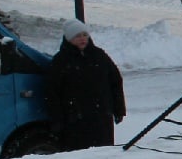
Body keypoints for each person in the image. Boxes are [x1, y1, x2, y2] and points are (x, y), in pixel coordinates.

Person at [46, 18, 124, 150]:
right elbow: (52, 92)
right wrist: (57, 120)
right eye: (77, 36)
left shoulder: (99, 55)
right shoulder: (61, 61)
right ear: (69, 38)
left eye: (85, 35)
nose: (82, 39)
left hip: (101, 118)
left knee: (104, 152)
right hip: (75, 121)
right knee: (80, 158)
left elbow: (115, 81)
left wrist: (119, 109)